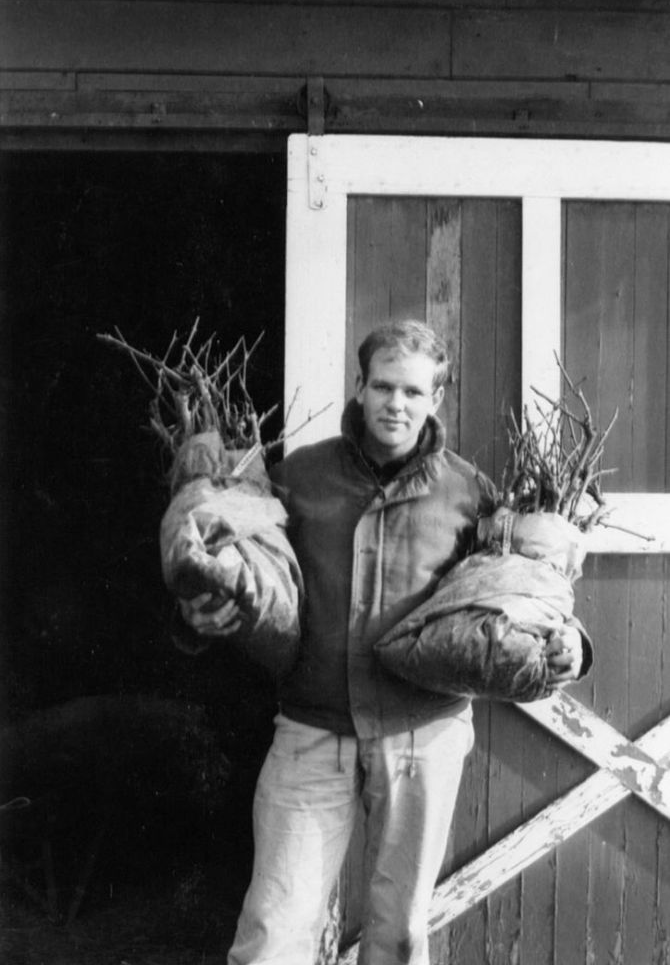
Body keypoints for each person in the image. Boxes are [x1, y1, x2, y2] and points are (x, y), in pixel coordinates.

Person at [180, 320, 589, 965]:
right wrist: (204, 612)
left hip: (422, 736)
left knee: (399, 934)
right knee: (273, 927)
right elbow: (253, 570)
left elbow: (512, 598)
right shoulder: (298, 477)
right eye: (382, 387)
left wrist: (565, 645)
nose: (395, 404)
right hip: (311, 733)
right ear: (361, 387)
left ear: (436, 398)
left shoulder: (471, 495)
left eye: (412, 391)